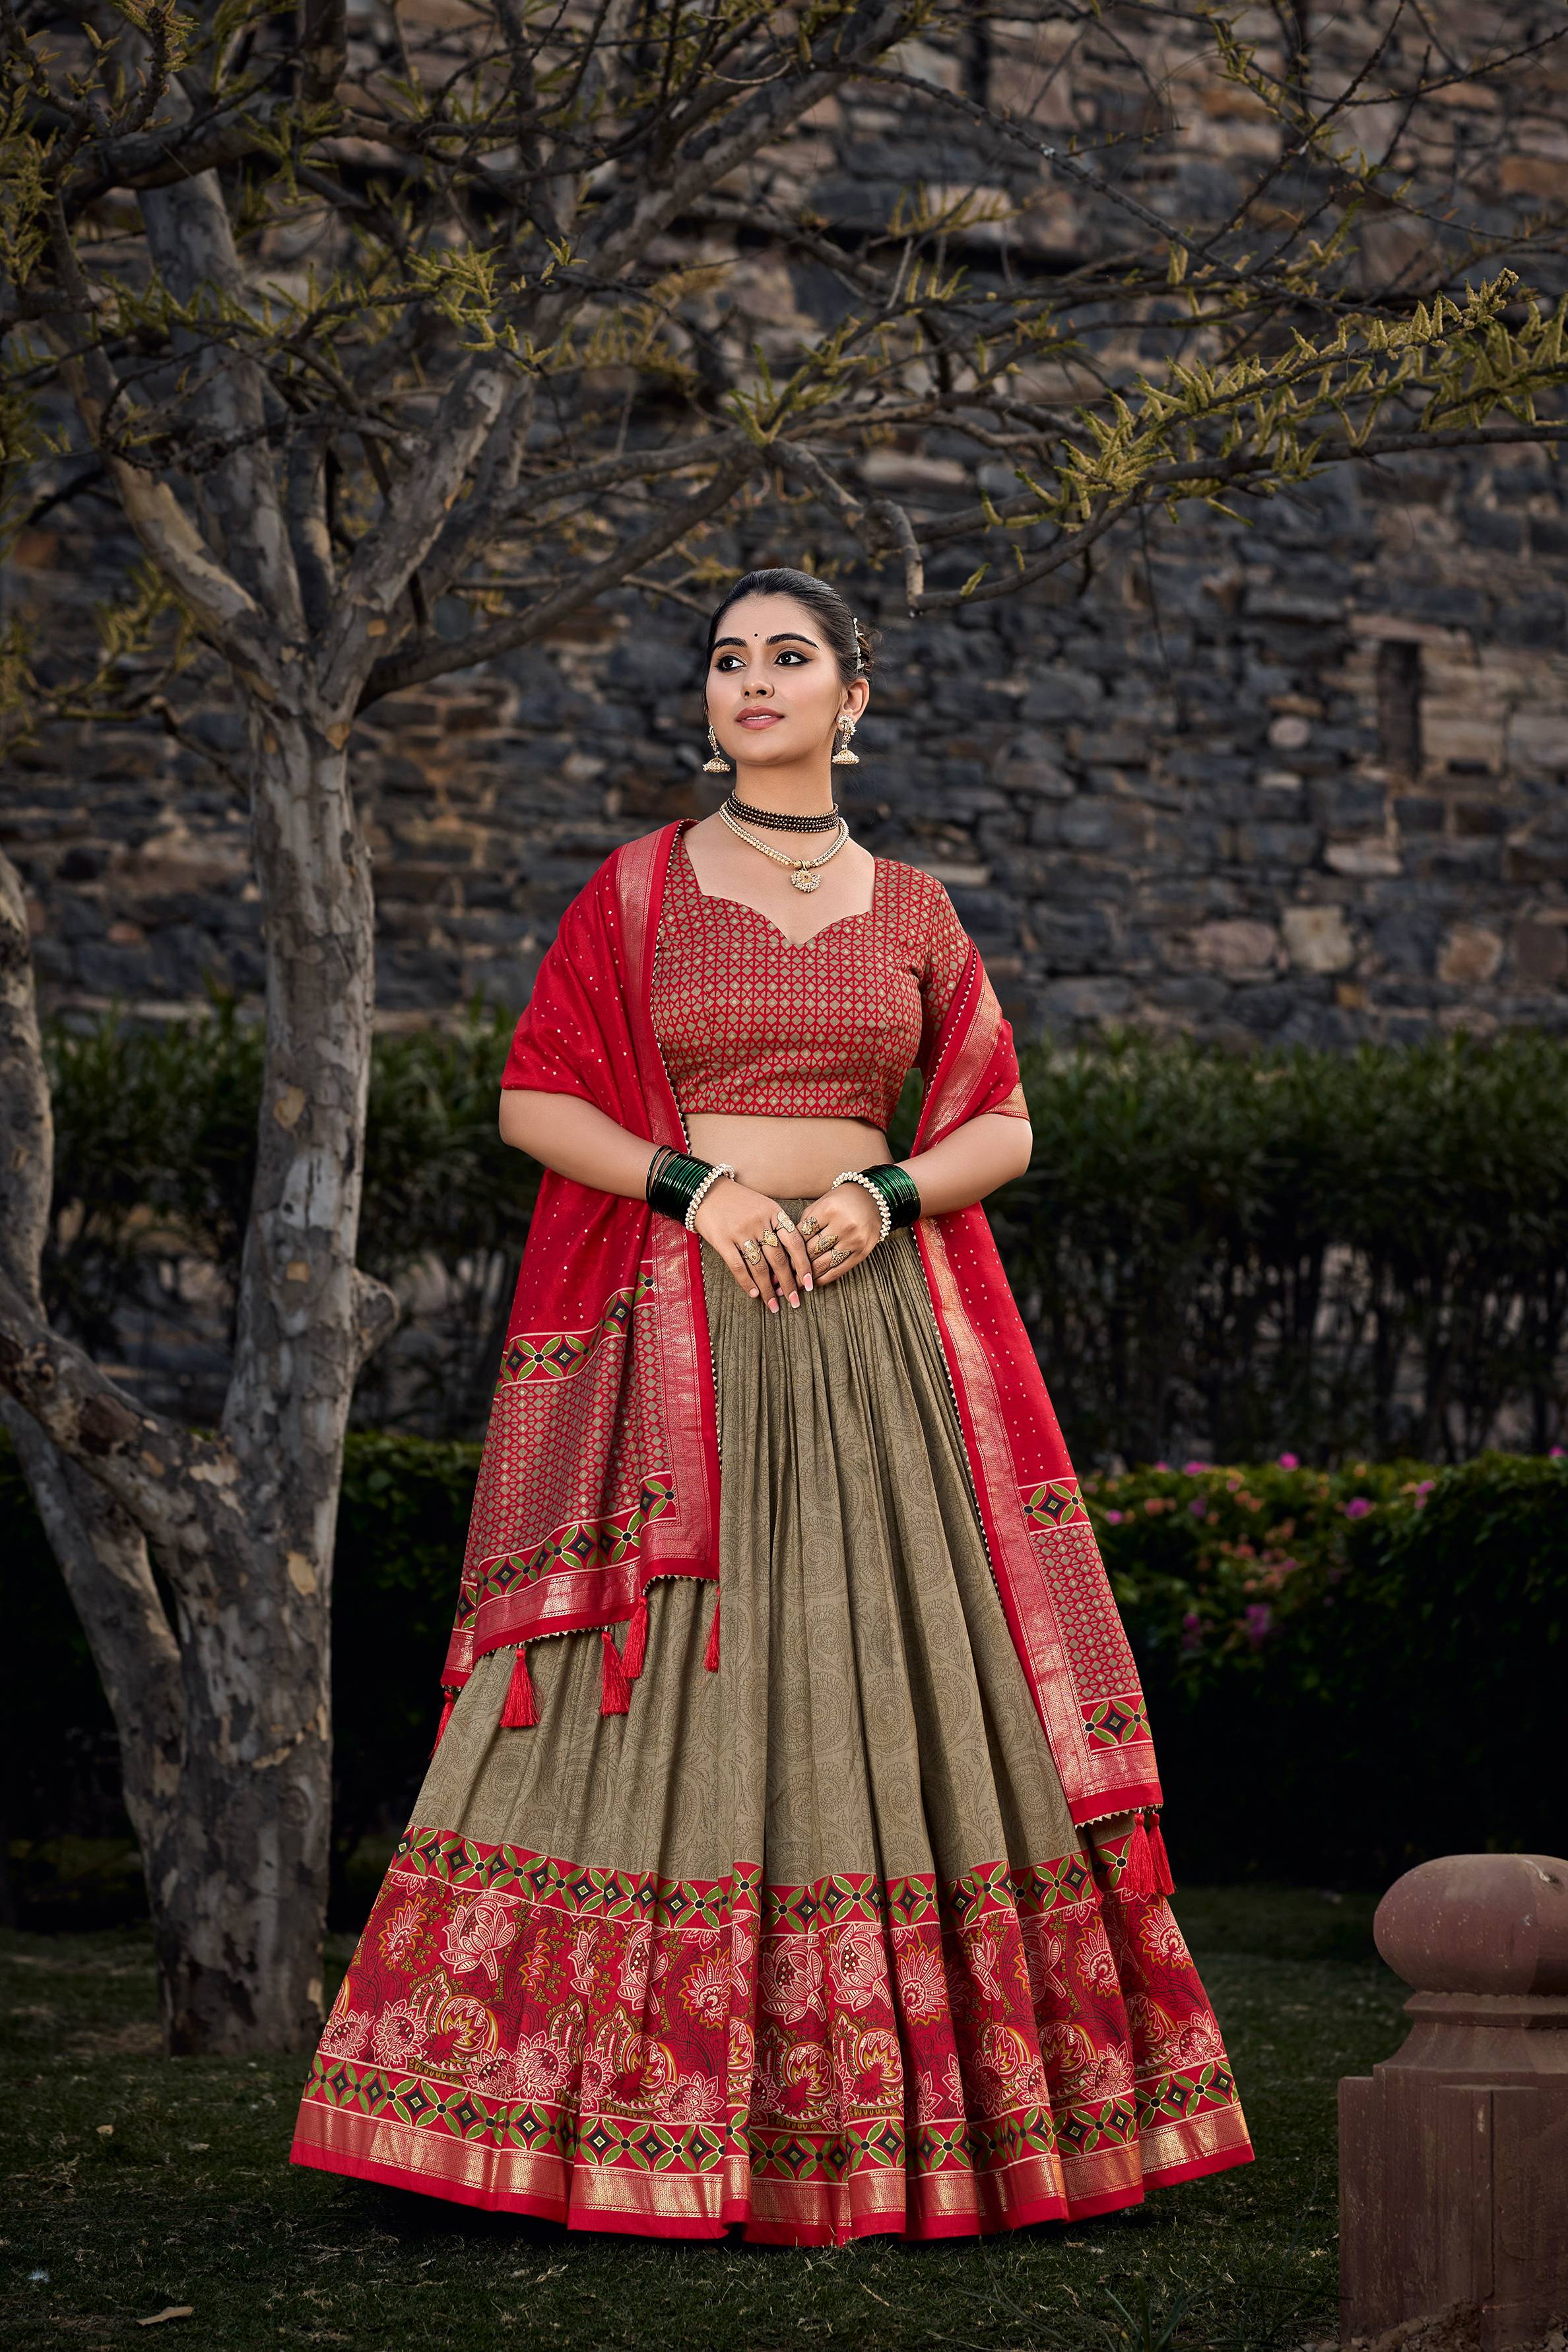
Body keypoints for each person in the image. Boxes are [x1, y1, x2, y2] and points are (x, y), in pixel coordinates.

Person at [291, 568, 1253, 2243]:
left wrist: (885, 1196)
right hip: (690, 1346)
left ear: (850, 699)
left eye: (787, 657)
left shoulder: (918, 911)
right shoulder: (639, 892)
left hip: (884, 1346)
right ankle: (563, 2118)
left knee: (897, 1683)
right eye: (728, 659)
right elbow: (535, 1094)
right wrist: (693, 1188)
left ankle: (944, 2127)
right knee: (669, 1689)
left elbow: (1001, 1125)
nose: (753, 681)